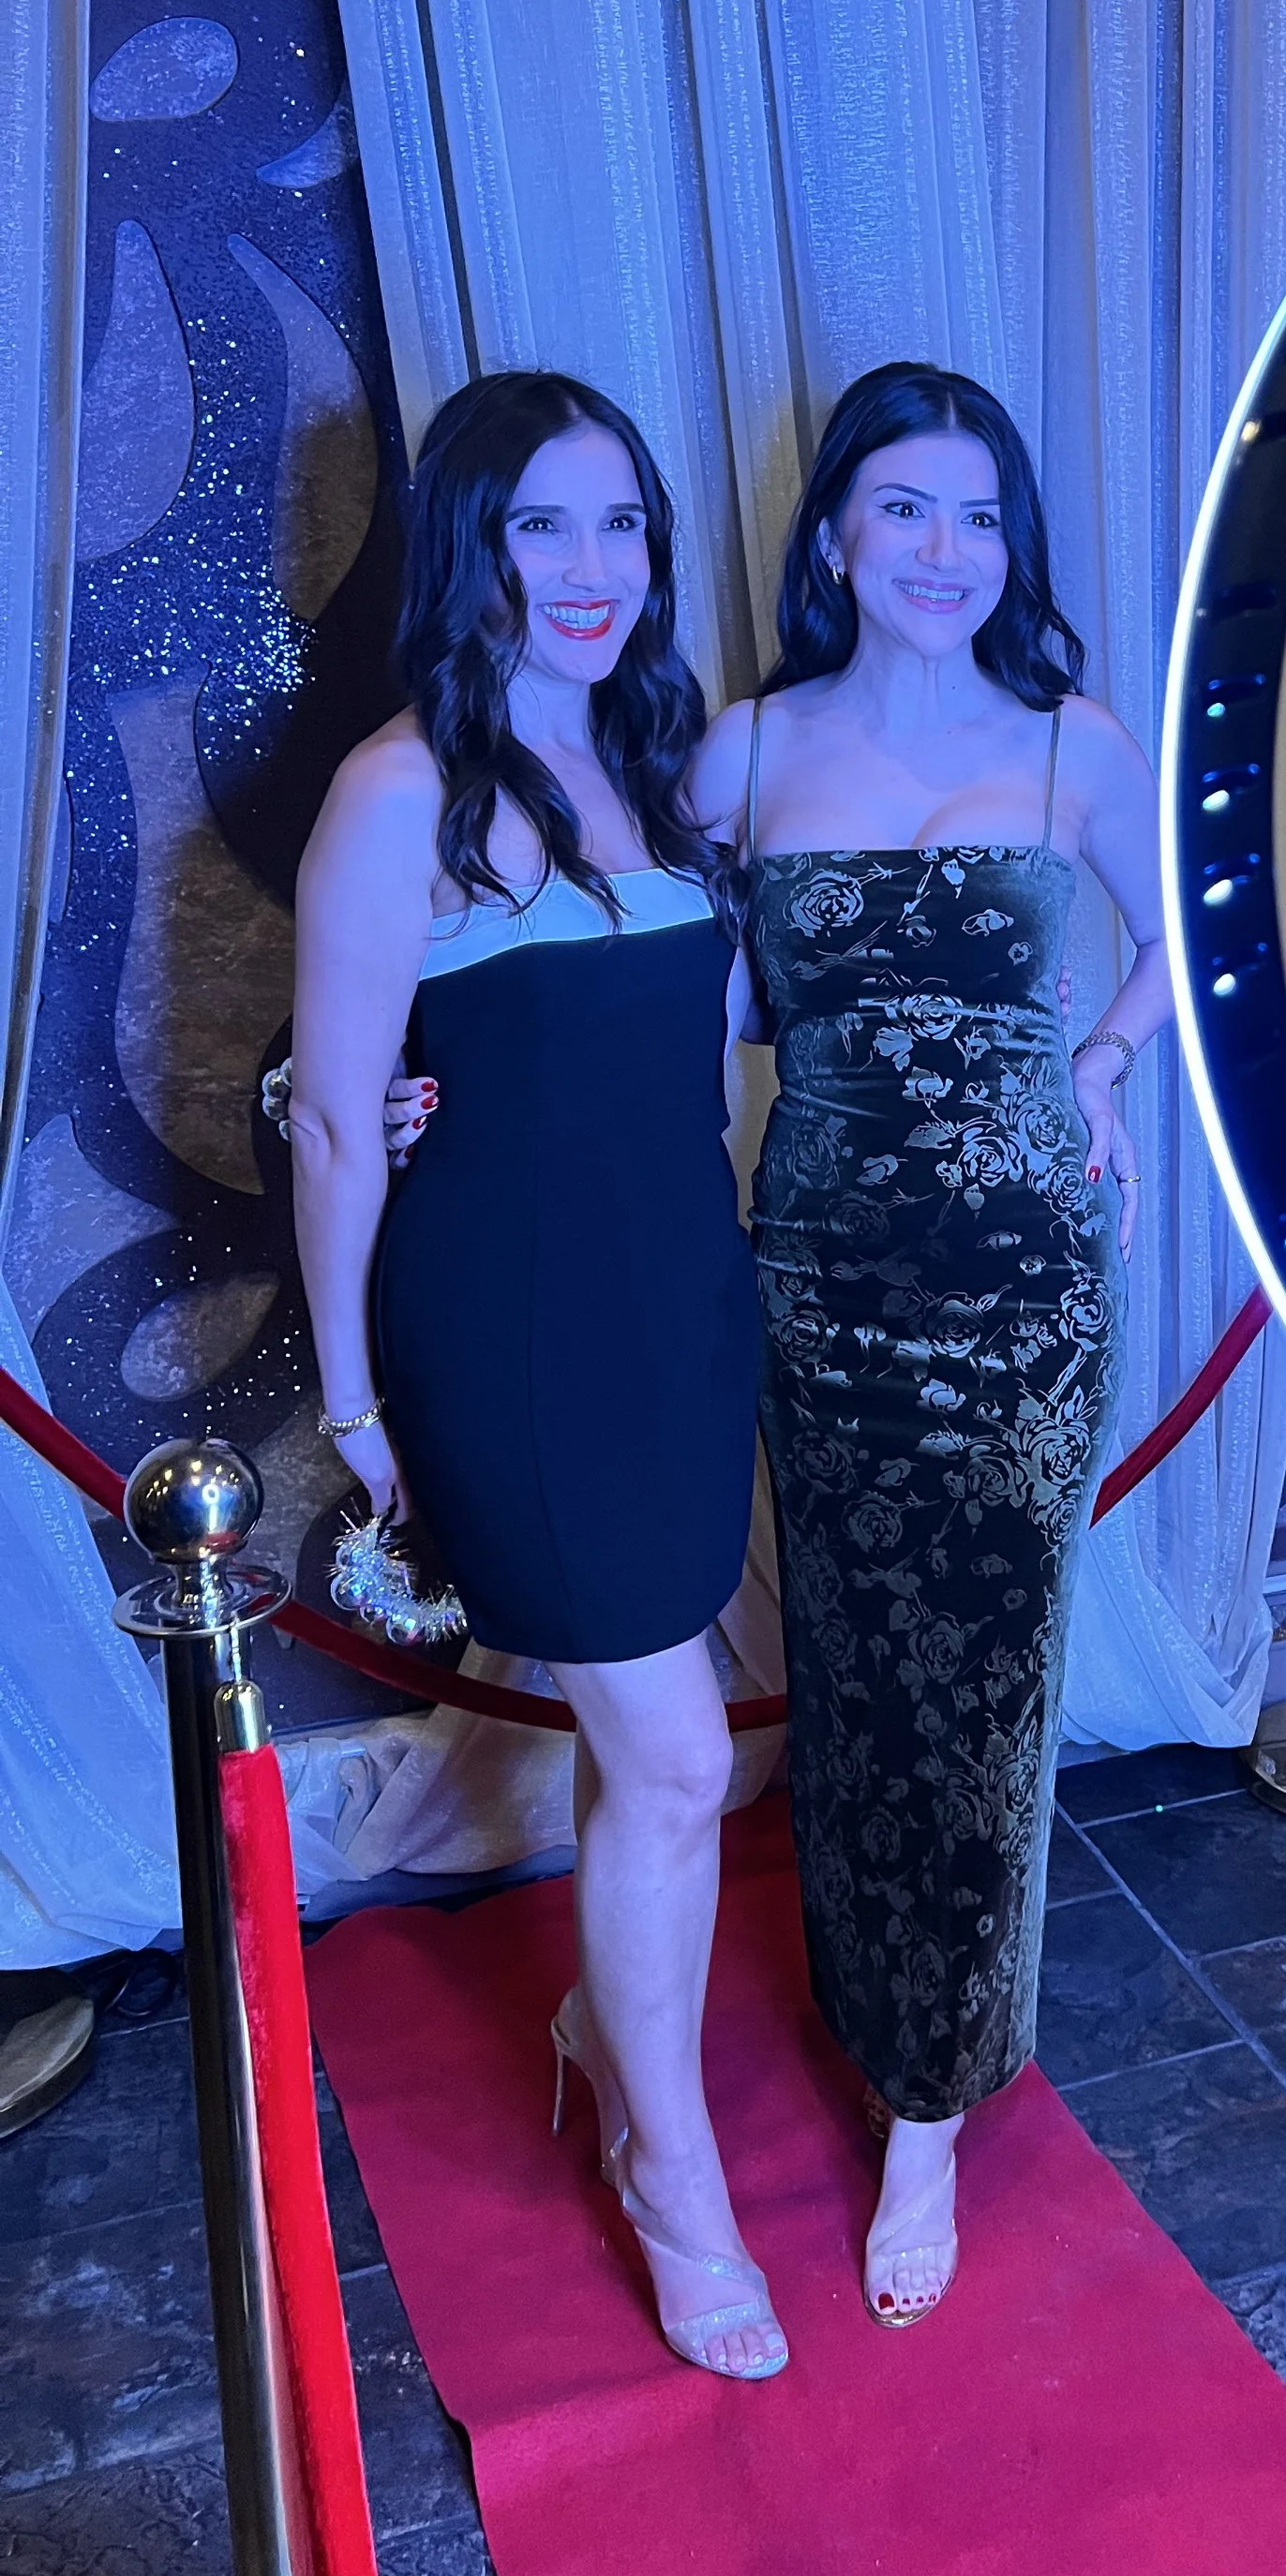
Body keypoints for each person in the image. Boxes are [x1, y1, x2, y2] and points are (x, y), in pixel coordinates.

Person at [288, 370, 785, 2383]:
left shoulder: (665, 759)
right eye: (541, 526)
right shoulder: (397, 791)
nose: (592, 569)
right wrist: (354, 1404)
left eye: (622, 524)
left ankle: (602, 2020)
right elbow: (340, 1121)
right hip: (507, 1327)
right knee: (676, 1757)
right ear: (470, 549)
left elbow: (698, 1043)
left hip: (680, 1305)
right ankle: (673, 2172)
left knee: (640, 1727)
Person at [693, 361, 1170, 2326]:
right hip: (816, 1273)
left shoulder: (1070, 744)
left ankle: (928, 2111)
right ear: (833, 535)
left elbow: (1197, 932)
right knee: (850, 1665)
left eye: (981, 516)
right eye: (905, 506)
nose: (944, 550)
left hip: (1023, 1282)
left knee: (984, 1684)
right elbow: (670, 988)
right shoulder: (739, 751)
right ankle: (864, 1999)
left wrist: (1104, 1063)